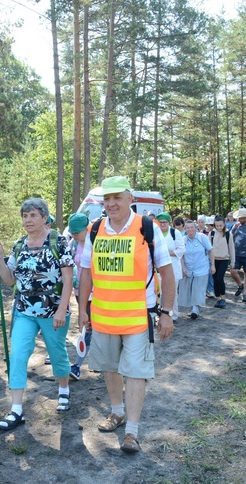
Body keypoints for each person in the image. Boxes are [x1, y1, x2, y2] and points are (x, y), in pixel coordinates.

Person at [78, 176, 175, 454]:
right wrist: (83, 309)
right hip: (104, 316)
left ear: (130, 198)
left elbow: (166, 272)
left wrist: (166, 312)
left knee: (134, 372)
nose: (111, 203)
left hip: (137, 317)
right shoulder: (94, 229)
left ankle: (131, 431)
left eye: (117, 197)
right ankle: (117, 413)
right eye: (106, 199)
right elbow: (86, 272)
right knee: (110, 368)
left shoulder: (147, 228)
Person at [0, 198, 74, 430]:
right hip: (25, 310)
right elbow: (9, 280)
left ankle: (64, 388)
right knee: (17, 354)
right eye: (25, 216)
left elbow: (68, 279)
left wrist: (61, 308)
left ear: (45, 217)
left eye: (33, 215)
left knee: (57, 353)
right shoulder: (19, 245)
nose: (28, 220)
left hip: (53, 310)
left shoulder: (58, 241)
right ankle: (16, 409)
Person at [66, 212, 91, 380]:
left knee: (89, 329)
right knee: (87, 327)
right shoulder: (72, 245)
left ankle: (77, 365)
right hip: (79, 293)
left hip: (97, 294)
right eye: (72, 232)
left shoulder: (95, 242)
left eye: (77, 232)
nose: (74, 235)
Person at [178, 219, 212, 319]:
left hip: (201, 268)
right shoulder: (183, 240)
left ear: (195, 228)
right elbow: (181, 256)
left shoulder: (202, 238)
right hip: (188, 269)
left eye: (192, 227)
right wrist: (183, 268)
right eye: (188, 228)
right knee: (189, 289)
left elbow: (211, 250)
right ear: (185, 229)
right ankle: (193, 307)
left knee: (198, 289)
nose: (190, 229)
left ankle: (195, 309)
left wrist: (213, 265)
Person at [157, 212, 185, 322]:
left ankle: (172, 316)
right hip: (158, 269)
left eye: (164, 222)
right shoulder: (155, 232)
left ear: (169, 223)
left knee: (172, 294)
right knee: (158, 294)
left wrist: (167, 253)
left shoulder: (175, 233)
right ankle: (157, 315)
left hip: (173, 269)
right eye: (160, 222)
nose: (162, 224)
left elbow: (181, 250)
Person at [210, 215, 235, 308]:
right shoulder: (211, 234)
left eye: (221, 225)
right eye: (217, 226)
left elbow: (232, 248)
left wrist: (233, 262)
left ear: (224, 224)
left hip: (224, 259)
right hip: (214, 260)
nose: (219, 227)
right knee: (215, 279)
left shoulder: (229, 234)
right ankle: (218, 299)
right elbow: (209, 248)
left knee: (220, 278)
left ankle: (223, 298)